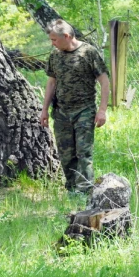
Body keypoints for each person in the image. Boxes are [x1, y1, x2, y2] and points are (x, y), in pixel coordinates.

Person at [40, 19, 110, 194]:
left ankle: (86, 191)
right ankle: (72, 191)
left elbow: (104, 81)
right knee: (66, 155)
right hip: (61, 112)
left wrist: (102, 110)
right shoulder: (54, 56)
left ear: (67, 36)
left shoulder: (88, 52)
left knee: (83, 153)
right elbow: (51, 82)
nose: (52, 43)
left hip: (84, 110)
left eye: (54, 39)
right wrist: (44, 110)